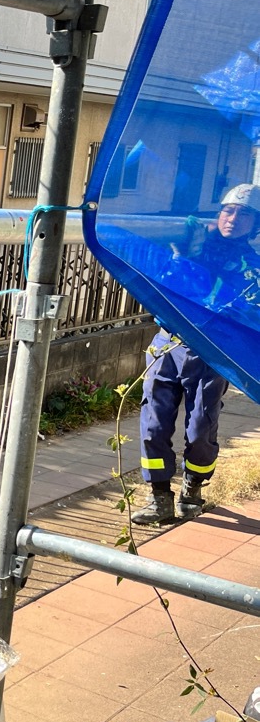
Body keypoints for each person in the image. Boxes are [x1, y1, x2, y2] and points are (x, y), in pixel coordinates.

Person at [130, 183, 260, 525]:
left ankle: (193, 489)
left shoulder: (251, 268)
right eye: (228, 210)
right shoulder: (194, 243)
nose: (233, 218)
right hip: (167, 343)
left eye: (244, 214)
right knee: (153, 421)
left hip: (210, 351)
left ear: (256, 223)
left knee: (201, 424)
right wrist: (180, 248)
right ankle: (159, 497)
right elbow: (160, 274)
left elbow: (242, 308)